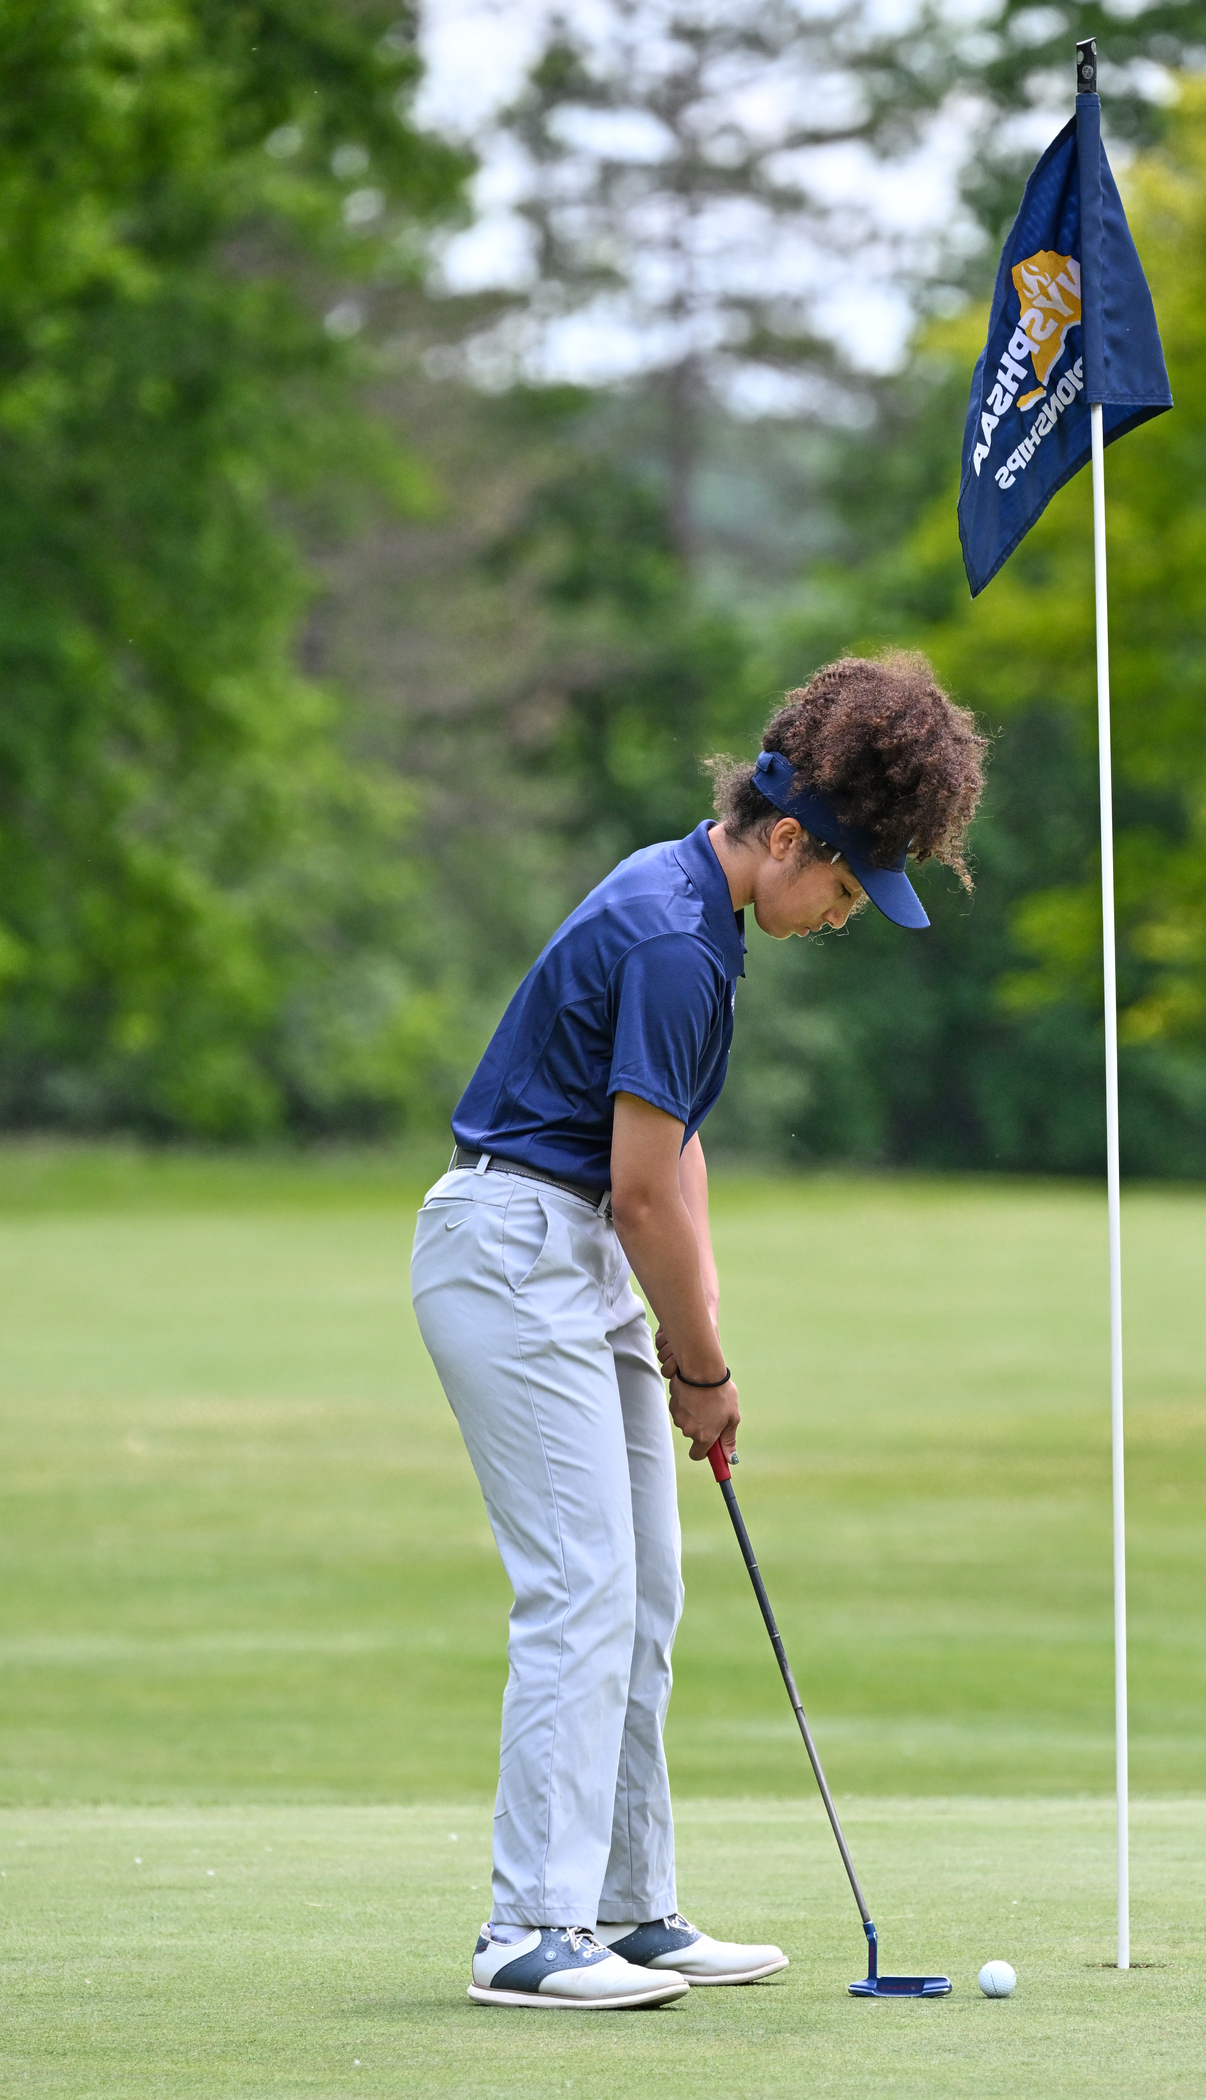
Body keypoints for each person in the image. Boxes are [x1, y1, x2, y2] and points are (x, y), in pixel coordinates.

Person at [411, 652, 985, 2010]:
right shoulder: (676, 937)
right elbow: (641, 1188)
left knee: (645, 1590)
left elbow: (678, 1163)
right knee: (582, 1588)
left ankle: (628, 1909)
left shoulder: (692, 912)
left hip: (577, 1258)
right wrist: (705, 1369)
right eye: (842, 886)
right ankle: (527, 1932)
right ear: (789, 837)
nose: (840, 914)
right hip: (513, 1254)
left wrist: (698, 1345)